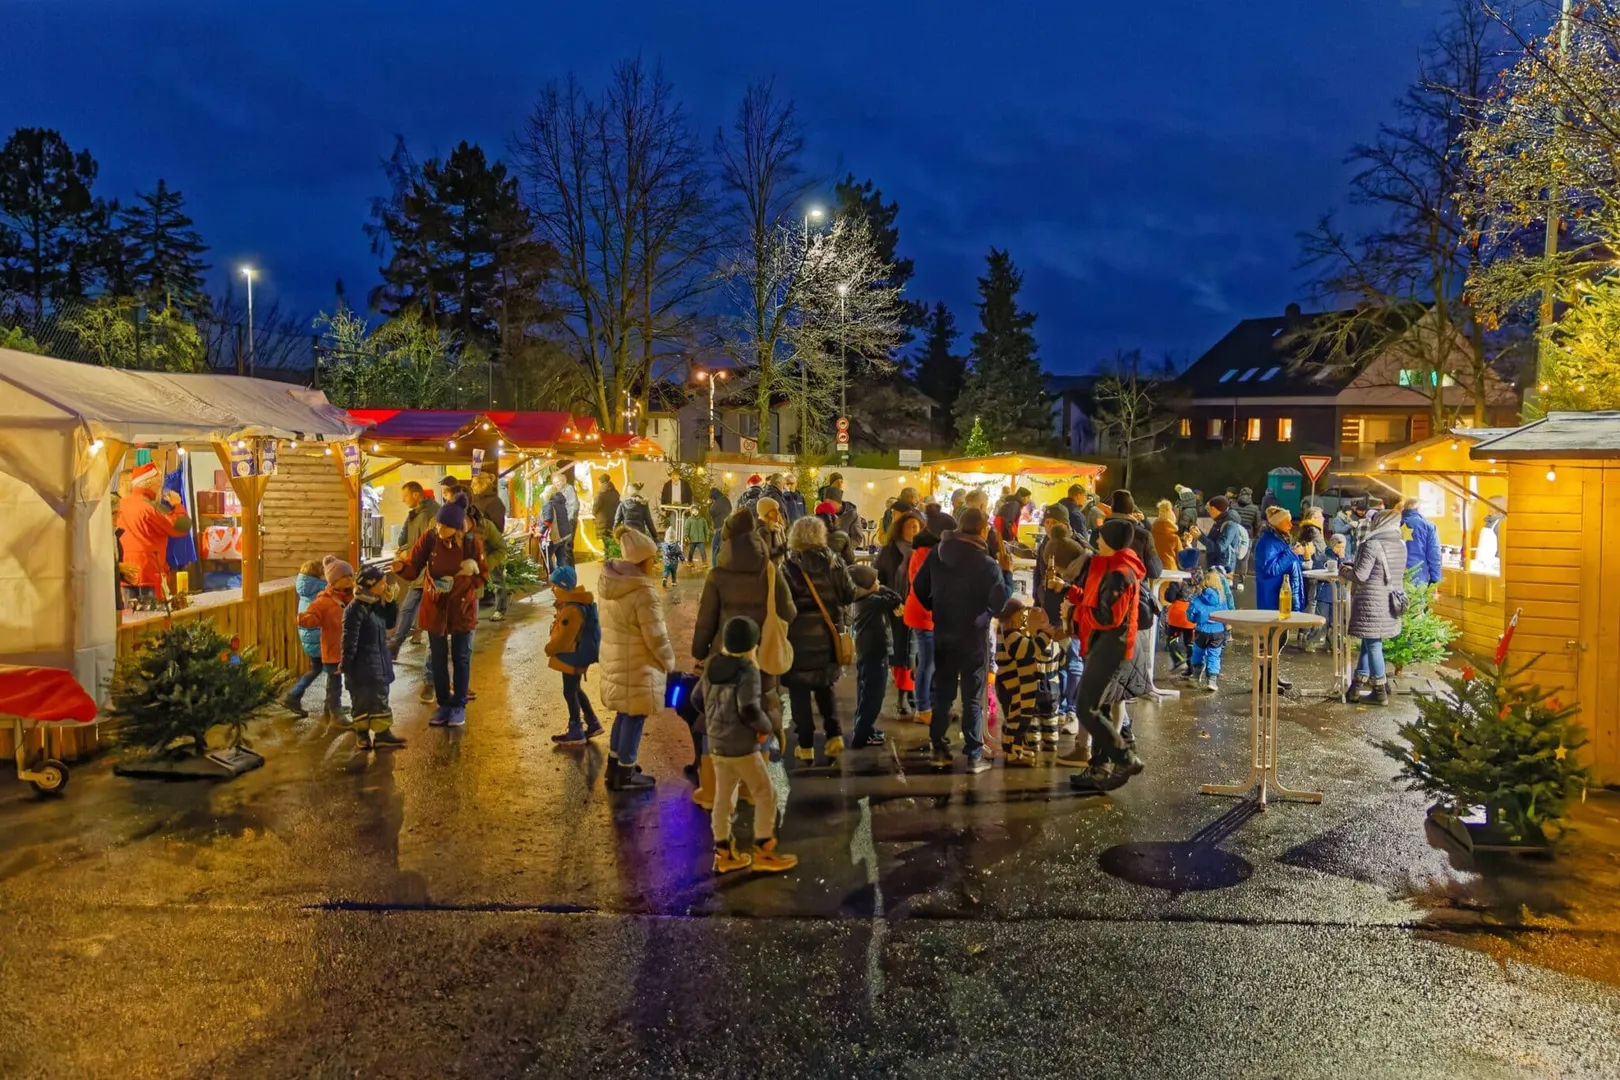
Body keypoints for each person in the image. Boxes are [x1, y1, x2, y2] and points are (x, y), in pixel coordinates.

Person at [911, 507, 1014, 774]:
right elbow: (1000, 603)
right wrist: (1008, 574)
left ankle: (939, 747)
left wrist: (937, 608)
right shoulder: (988, 564)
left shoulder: (938, 552)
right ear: (983, 530)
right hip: (973, 636)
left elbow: (920, 588)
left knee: (943, 693)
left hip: (943, 630)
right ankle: (973, 755)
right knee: (971, 695)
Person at [695, 615, 799, 875]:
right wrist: (766, 729)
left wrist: (715, 722)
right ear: (752, 644)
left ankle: (724, 854)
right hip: (742, 746)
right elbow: (749, 710)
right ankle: (764, 849)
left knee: (724, 798)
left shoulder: (711, 665)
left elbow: (696, 698)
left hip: (717, 745)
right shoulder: (747, 670)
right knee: (766, 793)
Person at [693, 508, 798, 762]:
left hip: (723, 654)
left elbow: (706, 620)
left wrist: (699, 651)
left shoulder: (717, 575)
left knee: (717, 710)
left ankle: (713, 782)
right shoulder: (770, 570)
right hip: (761, 654)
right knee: (761, 705)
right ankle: (755, 778)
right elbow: (789, 612)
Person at [1064, 518, 1150, 790]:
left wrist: (1074, 611)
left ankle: (1124, 757)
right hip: (1104, 643)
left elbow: (1107, 616)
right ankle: (1099, 768)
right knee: (1097, 706)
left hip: (1111, 645)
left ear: (1110, 541)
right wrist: (1071, 592)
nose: (1096, 541)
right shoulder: (1113, 567)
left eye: (1100, 537)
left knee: (1086, 708)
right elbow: (1098, 603)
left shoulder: (1119, 573)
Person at [391, 494, 487, 728]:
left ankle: (458, 706)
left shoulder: (471, 542)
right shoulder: (430, 538)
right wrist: (402, 566)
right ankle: (444, 704)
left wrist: (459, 584)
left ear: (456, 527)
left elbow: (481, 576)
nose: (439, 528)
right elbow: (414, 566)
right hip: (434, 605)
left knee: (461, 657)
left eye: (444, 525)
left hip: (461, 606)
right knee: (437, 657)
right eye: (438, 524)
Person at [598, 526, 677, 790]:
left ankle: (616, 765)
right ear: (642, 560)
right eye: (652, 558)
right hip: (638, 664)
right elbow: (655, 635)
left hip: (618, 658)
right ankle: (626, 773)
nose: (654, 563)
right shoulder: (642, 591)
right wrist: (668, 662)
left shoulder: (613, 584)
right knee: (636, 715)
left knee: (624, 713)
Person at [782, 516, 856, 761]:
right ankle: (834, 737)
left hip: (797, 637)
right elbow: (848, 595)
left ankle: (805, 746)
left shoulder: (789, 566)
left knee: (799, 692)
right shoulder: (834, 562)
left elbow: (785, 606)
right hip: (827, 636)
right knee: (825, 688)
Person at [1343, 506, 1407, 705]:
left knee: (1373, 644)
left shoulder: (1371, 544)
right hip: (1389, 601)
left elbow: (1361, 575)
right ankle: (1356, 687)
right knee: (1369, 641)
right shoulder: (1401, 545)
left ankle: (1380, 691)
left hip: (1371, 602)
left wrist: (1343, 571)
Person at [1034, 512, 1086, 743]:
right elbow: (1039, 579)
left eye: (1053, 522)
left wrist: (1065, 587)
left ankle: (1071, 709)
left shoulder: (1080, 552)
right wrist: (1041, 603)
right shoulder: (1046, 547)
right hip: (1053, 614)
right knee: (1056, 663)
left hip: (1072, 618)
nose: (1048, 526)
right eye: (1046, 522)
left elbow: (1083, 593)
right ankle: (1059, 707)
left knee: (1073, 661)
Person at [343, 565, 405, 750]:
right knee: (361, 699)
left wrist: (391, 601)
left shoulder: (375, 603)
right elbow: (349, 639)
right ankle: (361, 733)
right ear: (370, 585)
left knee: (380, 698)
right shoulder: (355, 609)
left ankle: (382, 734)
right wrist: (347, 665)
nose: (385, 585)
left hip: (379, 661)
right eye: (382, 583)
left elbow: (390, 623)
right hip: (361, 665)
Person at [544, 565, 604, 746]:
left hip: (572, 655)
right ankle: (592, 723)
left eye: (555, 585)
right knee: (575, 689)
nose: (552, 589)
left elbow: (565, 637)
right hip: (578, 653)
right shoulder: (576, 603)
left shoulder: (572, 609)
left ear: (563, 586)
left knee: (569, 691)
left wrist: (550, 648)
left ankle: (576, 729)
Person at [115, 463, 191, 602]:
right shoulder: (152, 507)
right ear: (149, 483)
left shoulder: (120, 504)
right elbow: (181, 527)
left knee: (128, 619)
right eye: (158, 483)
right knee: (152, 618)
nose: (159, 487)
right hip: (149, 572)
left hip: (125, 573)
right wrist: (177, 505)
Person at [995, 598, 1058, 767]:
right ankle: (1012, 752)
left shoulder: (1008, 631)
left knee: (1017, 718)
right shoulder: (1010, 634)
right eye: (1019, 614)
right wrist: (1045, 635)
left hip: (1015, 685)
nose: (1022, 617)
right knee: (1014, 720)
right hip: (1012, 686)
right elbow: (1028, 650)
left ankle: (1014, 749)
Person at [874, 511, 923, 718]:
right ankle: (904, 694)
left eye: (917, 526)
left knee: (915, 652)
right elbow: (879, 579)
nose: (914, 529)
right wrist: (890, 600)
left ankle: (910, 692)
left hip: (919, 607)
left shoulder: (924, 551)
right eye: (910, 526)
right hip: (895, 607)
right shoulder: (889, 551)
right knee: (900, 651)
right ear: (900, 528)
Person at [293, 556, 353, 722]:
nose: (350, 580)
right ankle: (336, 712)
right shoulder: (324, 600)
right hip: (330, 648)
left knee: (334, 680)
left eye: (351, 576)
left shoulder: (347, 598)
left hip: (341, 648)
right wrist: (303, 619)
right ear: (332, 580)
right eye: (345, 577)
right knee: (334, 683)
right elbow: (313, 615)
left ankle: (331, 707)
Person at [1253, 506, 1306, 690]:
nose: (1291, 524)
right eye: (1287, 521)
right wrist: (1293, 553)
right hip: (1273, 598)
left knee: (1279, 639)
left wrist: (1298, 556)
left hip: (1280, 597)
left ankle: (1271, 677)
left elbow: (1288, 564)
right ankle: (1265, 680)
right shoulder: (1267, 542)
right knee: (1272, 640)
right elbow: (1271, 569)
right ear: (1278, 523)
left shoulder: (1277, 539)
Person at [849, 564, 899, 748]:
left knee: (865, 692)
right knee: (874, 695)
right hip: (876, 652)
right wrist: (882, 588)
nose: (878, 583)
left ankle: (864, 727)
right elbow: (896, 598)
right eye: (874, 581)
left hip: (867, 651)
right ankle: (861, 734)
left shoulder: (863, 599)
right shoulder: (873, 601)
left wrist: (876, 587)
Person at [390, 481, 440, 663]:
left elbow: (426, 544)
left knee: (424, 613)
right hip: (419, 571)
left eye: (405, 496)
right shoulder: (416, 514)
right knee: (408, 608)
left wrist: (408, 553)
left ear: (416, 494)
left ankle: (431, 666)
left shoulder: (428, 515)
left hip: (428, 572)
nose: (403, 500)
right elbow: (404, 538)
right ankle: (395, 645)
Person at [903, 530, 939, 728]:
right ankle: (923, 708)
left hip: (918, 612)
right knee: (927, 664)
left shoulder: (920, 553)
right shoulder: (929, 555)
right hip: (924, 615)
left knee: (927, 663)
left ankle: (926, 707)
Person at [1184, 568, 1234, 692]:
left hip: (1201, 631)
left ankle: (1196, 676)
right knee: (1214, 655)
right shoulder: (1222, 599)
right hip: (1217, 632)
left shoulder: (1197, 598)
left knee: (1198, 653)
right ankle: (1212, 681)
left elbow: (1190, 615)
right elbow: (1226, 614)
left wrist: (1196, 620)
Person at [1202, 495, 1250, 579]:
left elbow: (1219, 547)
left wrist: (1199, 536)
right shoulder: (1218, 521)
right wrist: (1199, 534)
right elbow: (1210, 540)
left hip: (1223, 567)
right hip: (1215, 564)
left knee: (1222, 590)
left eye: (1211, 509)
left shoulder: (1229, 525)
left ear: (1217, 509)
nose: (1209, 511)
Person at [1401, 497, 1443, 588]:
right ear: (1418, 509)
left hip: (1395, 576)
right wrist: (1435, 579)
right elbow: (1434, 554)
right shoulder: (1428, 526)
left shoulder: (1394, 523)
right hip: (1419, 578)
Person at [543, 473, 577, 571]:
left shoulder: (569, 489)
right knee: (564, 552)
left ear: (564, 481)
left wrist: (568, 520)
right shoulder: (559, 495)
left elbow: (573, 506)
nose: (557, 484)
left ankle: (562, 573)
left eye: (558, 482)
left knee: (566, 550)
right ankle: (566, 573)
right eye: (555, 483)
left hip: (566, 526)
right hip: (564, 527)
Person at [755, 496, 788, 564]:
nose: (778, 513)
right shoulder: (762, 531)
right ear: (766, 512)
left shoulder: (776, 528)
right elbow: (767, 555)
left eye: (777, 510)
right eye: (774, 510)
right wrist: (785, 546)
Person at [592, 475, 621, 549]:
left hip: (602, 520)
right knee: (612, 538)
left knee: (605, 540)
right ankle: (612, 556)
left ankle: (607, 557)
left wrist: (593, 513)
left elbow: (596, 506)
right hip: (613, 518)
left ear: (601, 482)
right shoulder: (615, 492)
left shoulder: (600, 493)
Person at [707, 486, 731, 566]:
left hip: (719, 528)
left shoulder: (716, 503)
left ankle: (715, 567)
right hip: (727, 526)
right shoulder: (726, 500)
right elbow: (730, 509)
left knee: (715, 547)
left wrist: (709, 504)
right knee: (724, 547)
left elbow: (711, 512)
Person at [1152, 499, 1180, 570]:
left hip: (1154, 568)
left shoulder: (1151, 534)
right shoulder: (1174, 538)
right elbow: (1180, 557)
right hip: (1170, 569)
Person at [661, 516, 683, 588]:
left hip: (666, 561)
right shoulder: (676, 546)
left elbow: (661, 550)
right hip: (674, 562)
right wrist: (682, 559)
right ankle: (673, 582)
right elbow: (679, 553)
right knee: (674, 572)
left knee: (666, 571)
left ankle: (664, 578)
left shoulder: (664, 545)